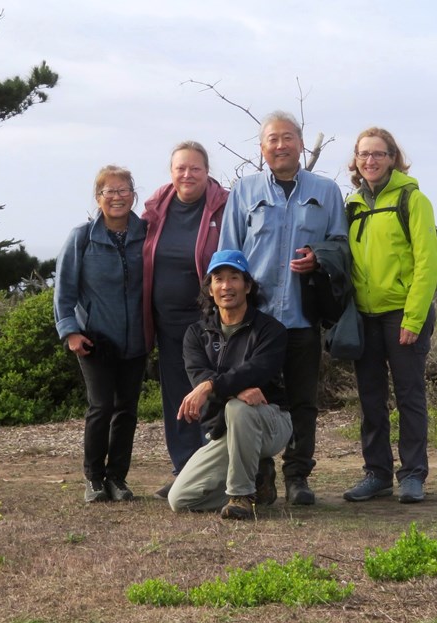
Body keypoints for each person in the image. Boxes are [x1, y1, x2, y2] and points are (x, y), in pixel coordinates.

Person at [219, 111, 347, 505]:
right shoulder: (243, 191)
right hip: (255, 322)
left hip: (301, 317)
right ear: (262, 149)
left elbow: (342, 246)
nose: (280, 145)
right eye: (272, 139)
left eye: (288, 137)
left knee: (303, 400)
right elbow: (228, 255)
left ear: (301, 143)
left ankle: (298, 477)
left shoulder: (326, 191)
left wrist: (318, 257)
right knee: (251, 397)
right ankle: (261, 475)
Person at [341, 127, 437, 504]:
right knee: (370, 398)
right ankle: (377, 473)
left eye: (378, 154)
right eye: (364, 154)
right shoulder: (352, 204)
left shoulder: (413, 200)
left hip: (402, 313)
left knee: (410, 396)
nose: (370, 160)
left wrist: (413, 318)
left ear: (393, 157)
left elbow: (427, 263)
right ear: (356, 160)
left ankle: (413, 474)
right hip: (364, 315)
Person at [167, 250, 293, 520]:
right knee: (180, 499)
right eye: (218, 279)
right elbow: (198, 375)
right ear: (210, 290)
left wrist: (210, 387)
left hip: (271, 421)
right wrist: (222, 387)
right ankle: (259, 481)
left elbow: (258, 369)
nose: (226, 286)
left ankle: (242, 496)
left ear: (247, 286)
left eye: (234, 277)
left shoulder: (271, 330)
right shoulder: (196, 334)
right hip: (225, 431)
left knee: (239, 408)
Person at [53, 165, 147, 503]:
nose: (118, 197)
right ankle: (93, 478)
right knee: (101, 407)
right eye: (110, 191)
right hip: (95, 341)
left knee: (127, 410)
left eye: (123, 190)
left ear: (134, 195)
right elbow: (63, 292)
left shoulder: (146, 234)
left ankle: (117, 478)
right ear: (98, 198)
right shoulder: (82, 237)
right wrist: (70, 333)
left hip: (136, 341)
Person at [143, 141, 229, 499]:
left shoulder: (224, 207)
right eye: (181, 168)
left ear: (207, 171)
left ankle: (218, 473)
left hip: (207, 320)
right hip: (166, 319)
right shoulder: (156, 209)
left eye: (195, 168)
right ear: (171, 172)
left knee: (212, 392)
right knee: (176, 396)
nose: (187, 174)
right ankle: (183, 470)